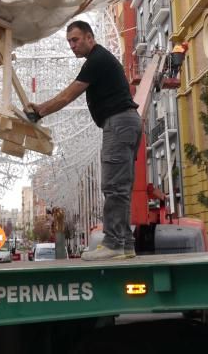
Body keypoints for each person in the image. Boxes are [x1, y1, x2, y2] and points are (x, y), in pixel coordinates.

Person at [29, 20, 142, 261]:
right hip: (125, 123)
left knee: (113, 187)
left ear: (90, 38)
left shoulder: (97, 60)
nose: (72, 45)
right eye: (69, 41)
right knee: (120, 187)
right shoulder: (99, 60)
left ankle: (112, 243)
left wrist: (39, 110)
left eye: (76, 39)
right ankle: (125, 244)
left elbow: (68, 95)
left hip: (119, 123)